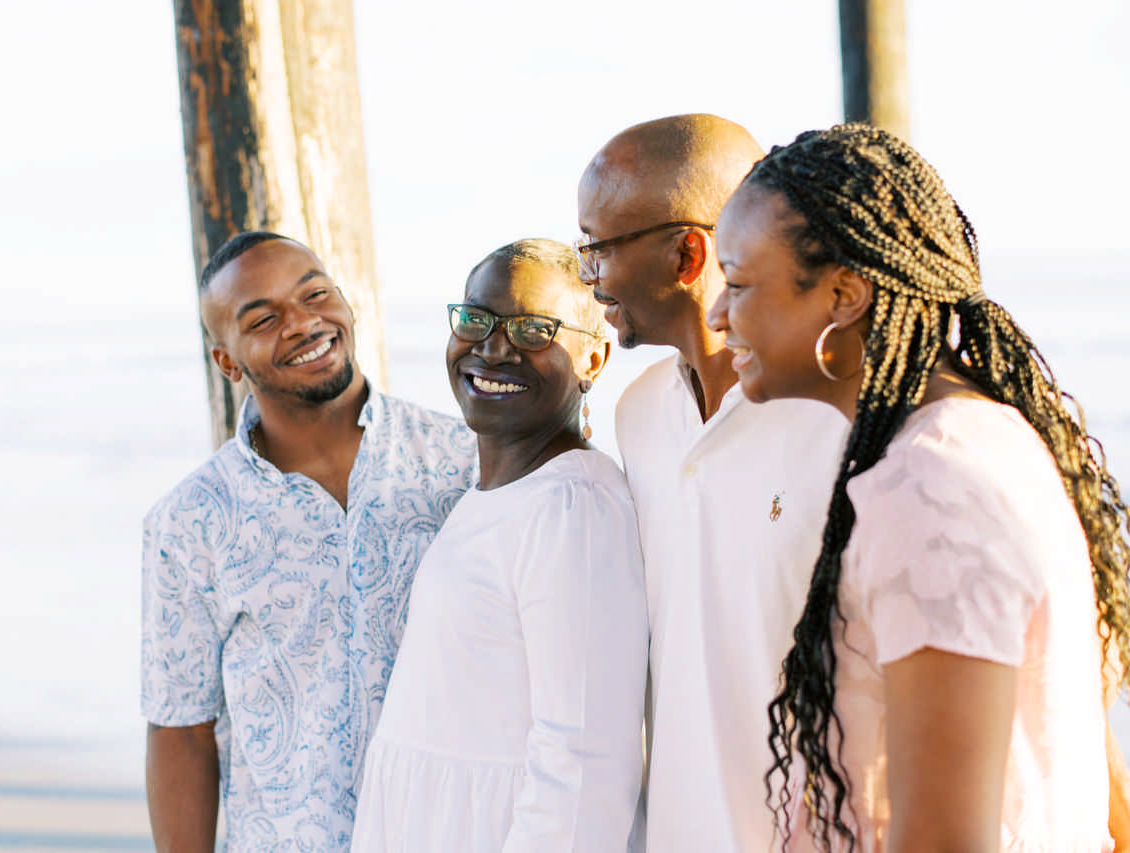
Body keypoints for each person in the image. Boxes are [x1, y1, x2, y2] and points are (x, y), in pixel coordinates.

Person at [706, 122, 1130, 852]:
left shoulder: (934, 486)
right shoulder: (979, 441)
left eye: (739, 284)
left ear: (843, 293)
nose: (718, 316)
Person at [141, 232, 478, 853]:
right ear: (227, 362)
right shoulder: (189, 522)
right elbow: (180, 730)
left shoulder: (466, 466)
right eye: (265, 319)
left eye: (316, 294)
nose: (303, 323)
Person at [576, 114, 849, 852]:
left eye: (597, 247)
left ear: (687, 253)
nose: (587, 275)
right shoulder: (635, 414)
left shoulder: (833, 418)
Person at [350, 239, 648, 852]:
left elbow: (583, 757)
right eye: (476, 319)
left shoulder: (573, 509)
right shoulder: (497, 495)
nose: (493, 347)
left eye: (534, 330)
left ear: (593, 359)